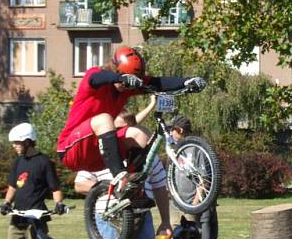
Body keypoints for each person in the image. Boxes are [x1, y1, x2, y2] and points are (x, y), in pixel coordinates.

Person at [74, 105, 172, 239]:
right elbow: (79, 184)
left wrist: (165, 221)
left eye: (126, 131)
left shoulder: (148, 156)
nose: (122, 136)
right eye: (117, 131)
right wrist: (105, 190)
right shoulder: (98, 155)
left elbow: (160, 187)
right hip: (108, 220)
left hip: (140, 218)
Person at [56, 45, 206, 182]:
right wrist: (121, 78)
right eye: (123, 80)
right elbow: (98, 78)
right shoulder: (95, 77)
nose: (125, 86)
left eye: (128, 82)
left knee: (140, 133)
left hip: (99, 155)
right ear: (114, 70)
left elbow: (157, 82)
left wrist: (187, 82)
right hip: (71, 150)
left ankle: (133, 184)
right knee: (104, 119)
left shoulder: (126, 89)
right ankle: (120, 176)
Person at [0, 123, 67, 239]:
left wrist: (59, 203)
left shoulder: (44, 162)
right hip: (18, 217)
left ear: (28, 142)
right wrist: (6, 202)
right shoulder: (19, 161)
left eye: (17, 143)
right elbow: (13, 185)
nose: (14, 146)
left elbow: (55, 187)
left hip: (36, 217)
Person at [167, 115, 218, 239]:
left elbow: (204, 179)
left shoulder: (196, 149)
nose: (169, 133)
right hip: (175, 204)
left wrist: (195, 204)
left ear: (179, 130)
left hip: (192, 204)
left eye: (171, 130)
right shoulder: (173, 149)